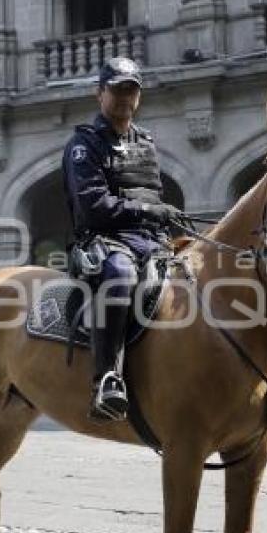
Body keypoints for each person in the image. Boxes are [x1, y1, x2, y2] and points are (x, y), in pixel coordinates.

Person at [62, 57, 182, 421]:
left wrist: (163, 217)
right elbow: (93, 206)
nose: (124, 98)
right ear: (100, 94)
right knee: (121, 278)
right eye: (116, 90)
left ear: (139, 97)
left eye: (131, 90)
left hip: (151, 239)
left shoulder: (146, 142)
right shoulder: (84, 145)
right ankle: (107, 379)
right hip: (106, 238)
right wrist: (147, 212)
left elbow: (152, 194)